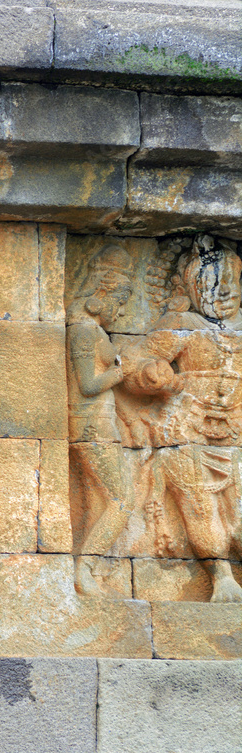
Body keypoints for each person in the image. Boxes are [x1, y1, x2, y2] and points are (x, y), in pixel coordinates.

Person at [123, 235, 242, 602]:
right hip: (186, 427)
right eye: (212, 283)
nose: (224, 291)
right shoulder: (181, 322)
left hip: (236, 425)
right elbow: (132, 361)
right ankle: (221, 576)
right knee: (200, 507)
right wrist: (153, 373)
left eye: (233, 281)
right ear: (191, 287)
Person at [67, 245, 135, 596]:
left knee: (108, 499)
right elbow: (88, 384)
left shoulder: (94, 332)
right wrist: (121, 374)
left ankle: (87, 569)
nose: (122, 311)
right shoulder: (82, 331)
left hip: (101, 426)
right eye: (120, 301)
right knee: (122, 501)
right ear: (101, 293)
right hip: (89, 426)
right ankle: (85, 568)